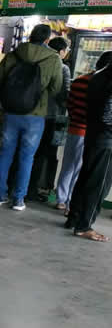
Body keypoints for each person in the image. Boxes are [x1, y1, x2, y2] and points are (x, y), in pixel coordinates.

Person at [0, 24, 63, 211]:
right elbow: (56, 88)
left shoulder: (14, 54)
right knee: (27, 157)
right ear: (47, 40)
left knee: (6, 153)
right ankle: (19, 199)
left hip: (11, 113)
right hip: (35, 116)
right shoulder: (53, 59)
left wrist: (7, 101)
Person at [56, 51, 112, 212]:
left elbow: (70, 104)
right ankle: (71, 204)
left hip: (74, 128)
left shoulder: (79, 81)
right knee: (81, 170)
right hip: (90, 132)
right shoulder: (102, 84)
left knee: (67, 166)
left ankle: (61, 199)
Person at [64, 62, 112, 242]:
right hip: (106, 139)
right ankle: (84, 226)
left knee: (85, 178)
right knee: (98, 185)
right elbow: (108, 115)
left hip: (93, 134)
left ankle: (74, 218)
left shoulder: (97, 77)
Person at [29, 36, 71, 202]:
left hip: (32, 113)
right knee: (45, 154)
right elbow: (63, 94)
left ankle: (22, 187)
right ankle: (38, 189)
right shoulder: (62, 68)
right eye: (66, 51)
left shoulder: (37, 61)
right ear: (61, 51)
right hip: (51, 116)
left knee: (30, 152)